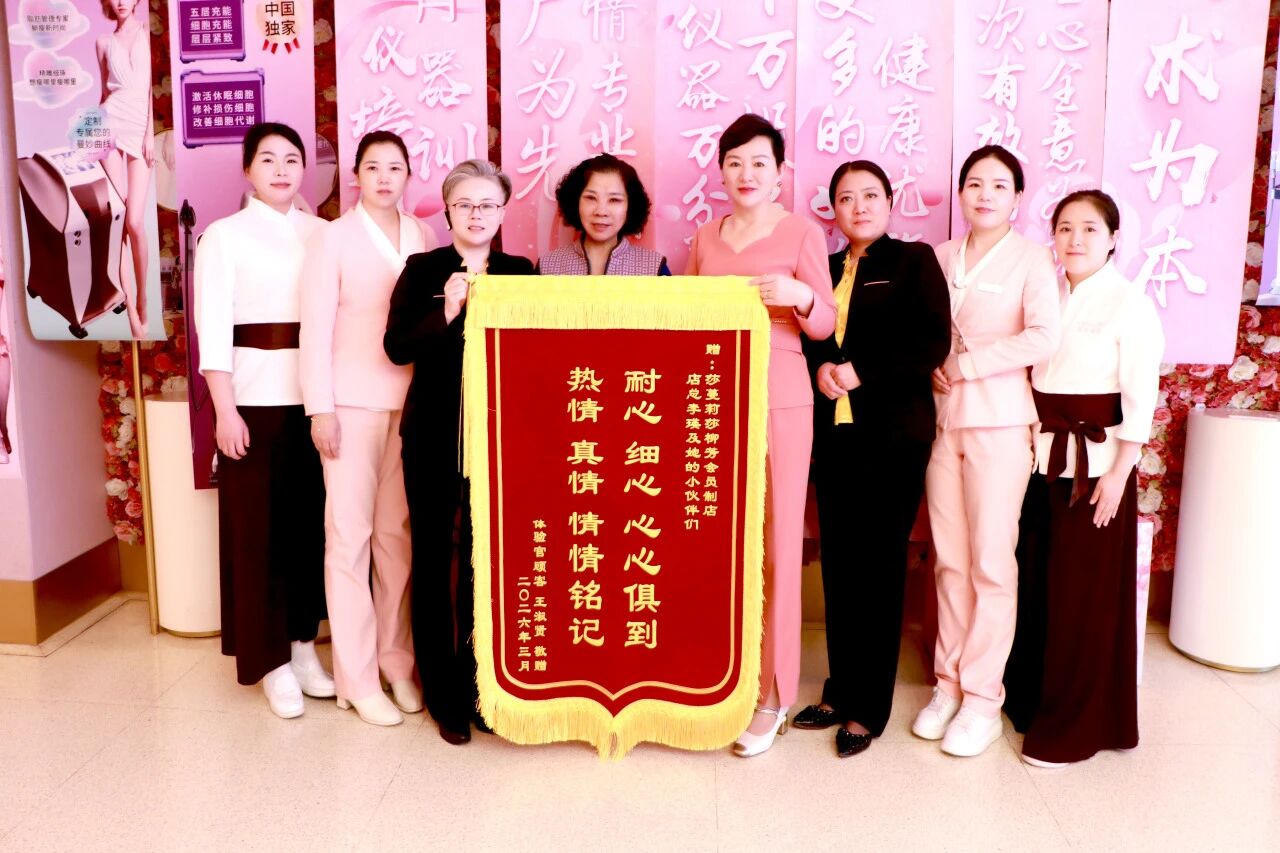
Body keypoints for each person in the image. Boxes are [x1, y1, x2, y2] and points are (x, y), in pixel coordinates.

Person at [684, 114, 836, 757]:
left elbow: (825, 323)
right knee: (719, 540)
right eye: (735, 162)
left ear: (780, 172)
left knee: (777, 544)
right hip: (714, 395)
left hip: (780, 394)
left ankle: (773, 694)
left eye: (759, 162)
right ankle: (721, 676)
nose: (746, 174)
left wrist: (800, 294)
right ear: (721, 171)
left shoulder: (802, 232)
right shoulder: (705, 236)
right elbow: (684, 317)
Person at [794, 161, 951, 757]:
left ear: (889, 202)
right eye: (846, 197)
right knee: (839, 565)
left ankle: (869, 709)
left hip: (892, 439)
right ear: (832, 209)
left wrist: (860, 371)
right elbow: (808, 336)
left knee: (879, 570)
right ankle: (839, 691)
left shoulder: (913, 260)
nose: (858, 207)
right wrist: (821, 370)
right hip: (835, 439)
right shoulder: (826, 266)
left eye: (869, 196)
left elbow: (930, 340)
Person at [1003, 190, 1163, 767]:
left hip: (1097, 471)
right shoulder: (1046, 292)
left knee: (1081, 599)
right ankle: (1030, 701)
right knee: (1038, 585)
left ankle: (1076, 726)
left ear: (1114, 239)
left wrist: (1119, 475)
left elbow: (1140, 399)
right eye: (1065, 227)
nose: (1075, 239)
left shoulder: (1130, 304)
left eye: (1090, 229)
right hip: (1041, 460)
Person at [913, 145, 1060, 756]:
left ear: (1017, 198)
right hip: (943, 421)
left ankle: (982, 698)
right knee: (949, 560)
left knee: (992, 564)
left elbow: (1044, 336)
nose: (985, 194)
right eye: (974, 183)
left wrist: (968, 364)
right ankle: (947, 683)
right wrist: (933, 363)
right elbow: (923, 333)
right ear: (961, 193)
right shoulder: (939, 256)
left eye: (999, 185)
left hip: (1000, 421)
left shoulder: (1033, 259)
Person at [384, 160, 535, 745]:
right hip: (432, 433)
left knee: (484, 561)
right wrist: (446, 309)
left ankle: (480, 688)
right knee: (429, 559)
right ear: (447, 211)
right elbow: (397, 347)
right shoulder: (422, 269)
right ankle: (441, 694)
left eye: (487, 205)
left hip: (500, 438)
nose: (476, 214)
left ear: (502, 212)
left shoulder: (521, 273)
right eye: (465, 204)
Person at [194, 122, 332, 719]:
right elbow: (212, 329)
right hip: (250, 402)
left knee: (307, 530)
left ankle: (303, 647)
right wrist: (225, 410)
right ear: (248, 169)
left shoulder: (322, 233)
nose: (281, 169)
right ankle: (270, 661)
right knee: (257, 534)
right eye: (268, 159)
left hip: (315, 400)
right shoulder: (224, 236)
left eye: (292, 159)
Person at [299, 132, 433, 727]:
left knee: (396, 539)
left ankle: (396, 662)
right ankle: (355, 678)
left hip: (411, 402)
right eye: (373, 167)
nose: (384, 177)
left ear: (408, 176)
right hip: (349, 405)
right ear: (357, 175)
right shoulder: (333, 237)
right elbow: (314, 329)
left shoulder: (422, 234)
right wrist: (319, 409)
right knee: (348, 539)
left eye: (394, 168)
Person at [96, 0, 153, 339]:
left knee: (134, 222)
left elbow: (150, 90)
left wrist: (149, 133)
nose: (119, 2)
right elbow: (103, 92)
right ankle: (130, 306)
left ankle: (143, 296)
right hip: (110, 125)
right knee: (117, 222)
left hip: (139, 127)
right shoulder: (103, 42)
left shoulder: (148, 33)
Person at [537, 154, 669, 275]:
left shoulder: (655, 268)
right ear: (575, 201)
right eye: (591, 198)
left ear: (630, 206)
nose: (601, 211)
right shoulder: (546, 267)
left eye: (614, 200)